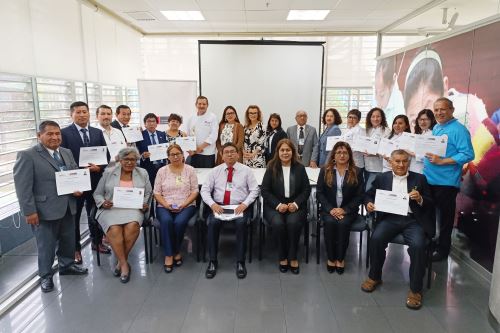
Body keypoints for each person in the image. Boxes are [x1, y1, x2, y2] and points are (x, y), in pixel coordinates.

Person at [13, 121, 89, 293]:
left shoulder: (66, 152)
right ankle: (46, 276)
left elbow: (73, 173)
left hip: (68, 206)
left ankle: (67, 266)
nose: (55, 137)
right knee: (46, 245)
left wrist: (77, 189)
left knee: (68, 240)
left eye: (57, 134)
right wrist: (29, 211)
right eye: (50, 134)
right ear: (39, 136)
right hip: (43, 210)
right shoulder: (28, 155)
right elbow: (23, 187)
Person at [361, 149, 434, 310]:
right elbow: (368, 195)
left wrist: (421, 199)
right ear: (390, 162)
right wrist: (369, 204)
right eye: (397, 161)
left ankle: (415, 289)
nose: (401, 164)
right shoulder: (382, 178)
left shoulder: (420, 179)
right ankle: (374, 277)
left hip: (413, 220)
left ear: (408, 162)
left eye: (404, 161)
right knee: (376, 239)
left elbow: (430, 203)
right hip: (390, 219)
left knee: (418, 246)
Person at [423, 97, 474, 261]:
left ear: (451, 110)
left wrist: (442, 161)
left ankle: (443, 250)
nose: (439, 112)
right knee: (430, 215)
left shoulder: (459, 130)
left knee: (445, 219)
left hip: (445, 183)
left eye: (442, 109)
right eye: (436, 110)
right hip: (429, 180)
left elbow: (468, 154)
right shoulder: (437, 127)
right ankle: (431, 243)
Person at [200, 143, 259, 279]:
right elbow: (205, 190)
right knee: (212, 223)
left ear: (238, 154)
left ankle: (240, 262)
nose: (230, 154)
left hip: (239, 207)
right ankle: (213, 261)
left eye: (233, 152)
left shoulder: (246, 170)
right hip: (219, 207)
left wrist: (245, 204)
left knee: (241, 224)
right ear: (221, 155)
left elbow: (255, 189)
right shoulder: (215, 171)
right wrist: (212, 204)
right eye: (226, 152)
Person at [60, 101, 110, 265]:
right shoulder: (64, 133)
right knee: (73, 218)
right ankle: (75, 249)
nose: (82, 115)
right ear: (71, 114)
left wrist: (100, 166)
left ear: (89, 114)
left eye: (84, 112)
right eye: (78, 112)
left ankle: (97, 242)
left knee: (95, 213)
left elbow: (106, 155)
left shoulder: (96, 132)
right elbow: (61, 159)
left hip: (95, 180)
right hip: (75, 183)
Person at [93, 147, 152, 283]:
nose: (129, 162)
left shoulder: (142, 172)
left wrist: (144, 203)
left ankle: (121, 261)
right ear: (120, 160)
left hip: (134, 208)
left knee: (132, 226)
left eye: (133, 159)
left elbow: (148, 192)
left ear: (137, 161)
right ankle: (124, 264)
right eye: (126, 159)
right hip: (111, 208)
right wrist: (102, 202)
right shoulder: (108, 172)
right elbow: (97, 193)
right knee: (114, 229)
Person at [261, 139, 311, 274]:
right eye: (282, 150)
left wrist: (295, 204)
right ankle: (282, 256)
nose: (285, 153)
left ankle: (293, 256)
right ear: (277, 152)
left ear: (292, 152)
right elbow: (265, 190)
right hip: (274, 206)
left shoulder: (300, 168)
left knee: (293, 223)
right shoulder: (271, 167)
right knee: (278, 223)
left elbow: (306, 190)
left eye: (288, 150)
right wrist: (278, 205)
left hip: (295, 205)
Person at [316, 142, 364, 274]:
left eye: (345, 153)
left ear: (349, 155)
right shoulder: (325, 170)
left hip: (348, 211)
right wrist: (330, 209)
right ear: (333, 155)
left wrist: (345, 210)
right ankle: (331, 258)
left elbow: (359, 196)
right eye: (338, 152)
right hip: (329, 209)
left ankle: (340, 258)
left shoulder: (357, 171)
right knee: (330, 223)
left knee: (343, 224)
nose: (342, 155)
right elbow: (319, 193)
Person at [154, 144, 199, 273]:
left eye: (178, 154)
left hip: (187, 204)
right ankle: (171, 254)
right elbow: (156, 192)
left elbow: (195, 191)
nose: (175, 157)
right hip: (164, 204)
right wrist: (166, 204)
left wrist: (184, 204)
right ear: (168, 157)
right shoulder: (162, 171)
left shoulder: (190, 170)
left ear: (182, 155)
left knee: (179, 222)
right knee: (167, 221)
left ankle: (174, 250)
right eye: (172, 154)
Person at [185, 96, 218, 168]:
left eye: (204, 104)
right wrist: (190, 149)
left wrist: (200, 147)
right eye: (199, 104)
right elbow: (187, 135)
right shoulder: (191, 117)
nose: (201, 106)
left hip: (208, 154)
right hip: (194, 153)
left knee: (207, 176)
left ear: (207, 105)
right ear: (196, 104)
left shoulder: (212, 117)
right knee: (195, 176)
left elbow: (213, 136)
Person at [136, 113, 168, 186]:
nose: (151, 123)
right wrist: (143, 156)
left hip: (162, 167)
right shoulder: (140, 135)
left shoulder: (162, 134)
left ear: (156, 123)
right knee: (149, 188)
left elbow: (166, 149)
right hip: (147, 167)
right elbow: (136, 152)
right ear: (145, 124)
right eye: (149, 121)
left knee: (162, 187)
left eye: (153, 121)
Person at [363, 107, 390, 191]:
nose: (375, 119)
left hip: (378, 168)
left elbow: (386, 150)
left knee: (370, 191)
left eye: (378, 116)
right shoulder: (367, 130)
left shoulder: (387, 131)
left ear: (382, 118)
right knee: (365, 191)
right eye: (373, 116)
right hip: (366, 167)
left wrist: (373, 153)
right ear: (369, 118)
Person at [374, 56, 405, 124]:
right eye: (376, 93)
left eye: (382, 95)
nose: (378, 103)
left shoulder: (399, 107)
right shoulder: (375, 101)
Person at [410, 109, 436, 174]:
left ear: (432, 120)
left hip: (423, 171)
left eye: (426, 119)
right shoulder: (421, 133)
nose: (422, 122)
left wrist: (409, 152)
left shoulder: (433, 134)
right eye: (420, 119)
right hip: (414, 169)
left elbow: (426, 157)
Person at [344, 109, 365, 174]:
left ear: (358, 120)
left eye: (354, 118)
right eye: (350, 117)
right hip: (347, 162)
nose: (351, 119)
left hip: (356, 164)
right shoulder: (346, 130)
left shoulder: (360, 131)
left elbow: (358, 147)